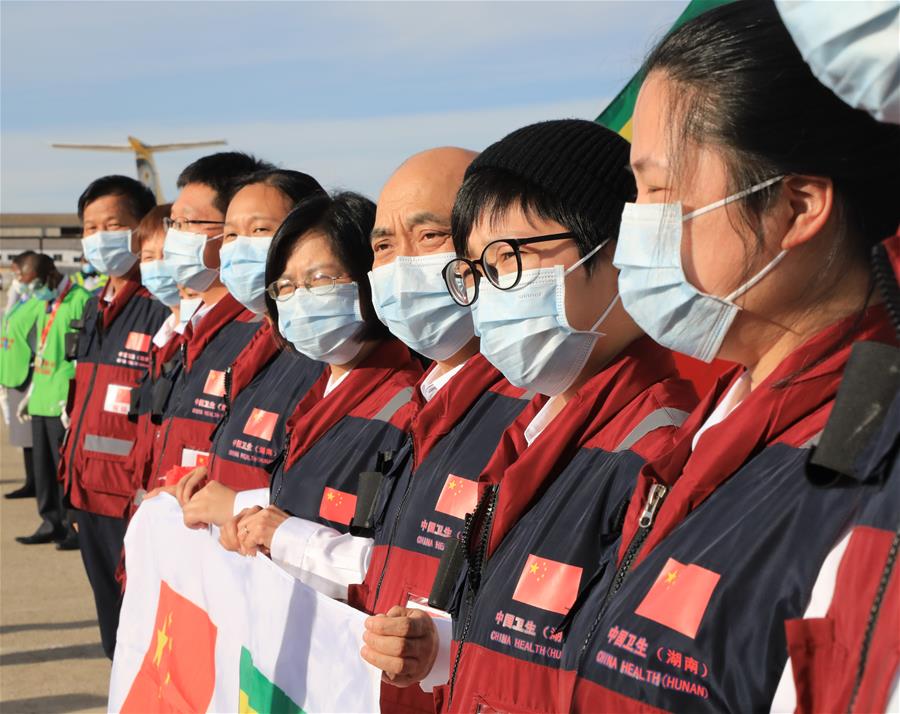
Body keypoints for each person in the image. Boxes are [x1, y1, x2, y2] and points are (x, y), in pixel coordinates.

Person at [551, 2, 899, 711]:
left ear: (796, 207)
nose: (634, 222)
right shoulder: (720, 422)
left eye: (659, 188)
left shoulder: (869, 457)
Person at [359, 121, 698, 711]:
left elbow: (632, 681)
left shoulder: (662, 447)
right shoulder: (530, 430)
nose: (490, 293)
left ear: (618, 251)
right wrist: (442, 650)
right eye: (476, 271)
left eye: (510, 257)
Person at [205, 192, 423, 603]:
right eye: (286, 286)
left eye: (321, 279)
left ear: (369, 278)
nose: (300, 297)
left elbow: (402, 564)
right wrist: (257, 523)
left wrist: (287, 536)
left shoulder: (409, 403)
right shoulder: (319, 393)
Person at [163, 169, 325, 504]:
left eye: (260, 230)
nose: (239, 247)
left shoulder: (327, 348)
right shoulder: (260, 344)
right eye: (231, 234)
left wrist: (239, 504)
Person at [59, 175, 168, 659]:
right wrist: (71, 491)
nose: (99, 237)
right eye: (90, 227)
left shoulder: (160, 306)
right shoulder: (92, 306)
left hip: (130, 499)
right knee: (114, 634)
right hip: (87, 493)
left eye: (113, 225)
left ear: (142, 229)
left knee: (146, 638)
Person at [141, 152, 276, 490]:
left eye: (188, 222)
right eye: (174, 223)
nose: (175, 237)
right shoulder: (195, 325)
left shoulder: (262, 329)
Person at [16, 254, 91, 547]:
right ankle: (50, 521)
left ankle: (73, 526)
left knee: (65, 468)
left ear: (50, 274)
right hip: (41, 396)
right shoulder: (43, 303)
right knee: (43, 468)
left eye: (32, 283)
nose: (30, 289)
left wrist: (76, 398)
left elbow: (83, 355)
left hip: (62, 399)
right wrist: (31, 391)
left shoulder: (80, 300)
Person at [1, 252, 42, 499]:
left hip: (29, 375)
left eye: (18, 274)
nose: (16, 279)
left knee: (31, 437)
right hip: (15, 374)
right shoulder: (21, 301)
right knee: (23, 437)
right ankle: (31, 482)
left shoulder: (38, 303)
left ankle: (37, 483)